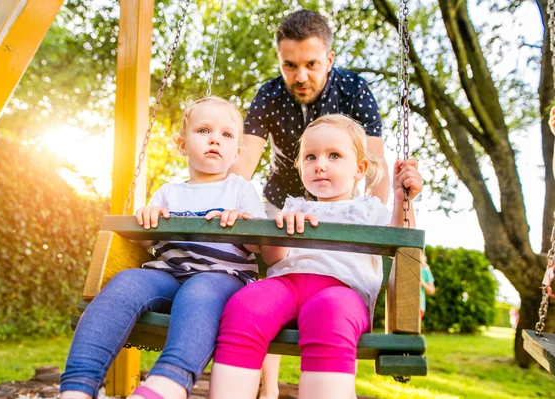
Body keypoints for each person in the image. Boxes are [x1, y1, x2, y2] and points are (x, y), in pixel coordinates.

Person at [59, 97, 267, 399]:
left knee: (200, 290)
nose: (214, 140)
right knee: (126, 282)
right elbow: (146, 244)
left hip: (221, 278)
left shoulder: (240, 189)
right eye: (203, 131)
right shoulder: (168, 193)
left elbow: (258, 245)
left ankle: (168, 383)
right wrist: (147, 220)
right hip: (169, 273)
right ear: (182, 145)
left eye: (226, 135)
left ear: (236, 152)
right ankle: (77, 386)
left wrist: (242, 221)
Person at [230, 11, 391, 397]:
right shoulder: (269, 94)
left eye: (311, 65)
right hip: (281, 202)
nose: (300, 76)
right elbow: (245, 161)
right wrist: (229, 200)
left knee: (327, 291)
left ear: (329, 59)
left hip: (342, 202)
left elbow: (376, 165)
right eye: (290, 65)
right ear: (280, 61)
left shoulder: (354, 90)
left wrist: (372, 224)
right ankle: (267, 388)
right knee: (267, 281)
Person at [208, 114, 423, 399]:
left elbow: (401, 239)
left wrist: (403, 200)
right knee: (245, 305)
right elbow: (274, 258)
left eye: (334, 155)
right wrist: (279, 231)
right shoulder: (293, 207)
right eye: (310, 157)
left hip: (343, 294)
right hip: (286, 285)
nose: (320, 164)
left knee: (328, 313)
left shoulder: (368, 209)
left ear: (359, 169)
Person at [420, 252, 435, 320]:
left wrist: (422, 283)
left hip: (419, 306)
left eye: (422, 254)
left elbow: (432, 290)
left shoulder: (425, 270)